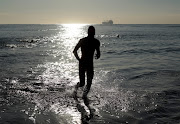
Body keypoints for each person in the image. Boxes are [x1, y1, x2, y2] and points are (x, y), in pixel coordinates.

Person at [73, 26, 100, 98]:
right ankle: (76, 90)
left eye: (92, 31)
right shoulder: (83, 40)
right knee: (82, 83)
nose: (91, 33)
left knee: (89, 83)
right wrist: (79, 59)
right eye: (91, 31)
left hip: (88, 64)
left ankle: (84, 96)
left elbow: (98, 53)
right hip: (83, 63)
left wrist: (97, 55)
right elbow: (74, 51)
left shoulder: (96, 42)